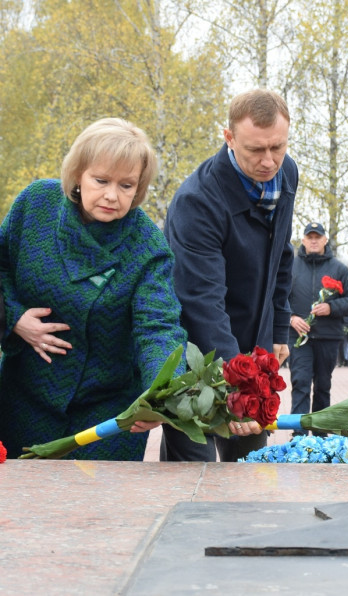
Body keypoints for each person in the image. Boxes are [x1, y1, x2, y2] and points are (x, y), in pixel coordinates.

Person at [0, 118, 187, 460]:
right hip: (23, 399)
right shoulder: (35, 206)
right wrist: (13, 318)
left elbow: (158, 326)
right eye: (100, 180)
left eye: (127, 185)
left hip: (106, 416)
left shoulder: (148, 246)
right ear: (77, 174)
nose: (112, 196)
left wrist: (160, 392)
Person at [162, 89, 299, 462]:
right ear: (228, 137)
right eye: (255, 150)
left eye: (278, 147)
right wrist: (239, 385)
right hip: (198, 355)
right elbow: (201, 300)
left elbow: (281, 255)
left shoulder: (286, 174)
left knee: (249, 468)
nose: (269, 161)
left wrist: (279, 328)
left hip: (254, 345)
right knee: (194, 473)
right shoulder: (198, 202)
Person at [288, 222, 348, 428]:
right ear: (302, 240)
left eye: (317, 237)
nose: (313, 240)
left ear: (324, 240)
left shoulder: (339, 268)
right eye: (309, 236)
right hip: (299, 337)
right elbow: (277, 298)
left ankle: (320, 434)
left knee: (323, 386)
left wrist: (332, 308)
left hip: (328, 336)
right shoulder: (290, 266)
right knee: (300, 383)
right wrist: (291, 318)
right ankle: (298, 435)